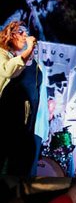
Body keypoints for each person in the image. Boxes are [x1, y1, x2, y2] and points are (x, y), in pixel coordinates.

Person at [0, 21, 39, 175]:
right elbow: (8, 71)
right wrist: (28, 48)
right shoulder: (1, 53)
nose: (25, 36)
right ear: (10, 34)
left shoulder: (10, 55)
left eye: (26, 32)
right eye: (21, 32)